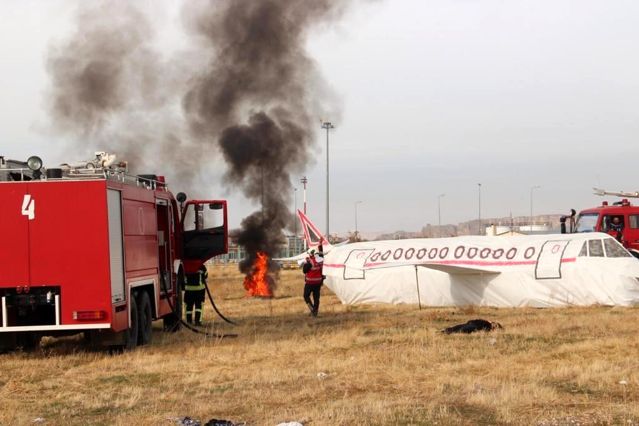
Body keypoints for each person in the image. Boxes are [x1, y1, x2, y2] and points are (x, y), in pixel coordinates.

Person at [302, 245, 324, 317]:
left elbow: (304, 271)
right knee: (316, 298)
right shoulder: (320, 260)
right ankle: (315, 311)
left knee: (306, 296)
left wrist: (306, 262)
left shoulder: (309, 262)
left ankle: (313, 310)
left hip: (310, 283)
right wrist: (320, 246)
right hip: (318, 283)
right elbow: (321, 254)